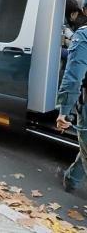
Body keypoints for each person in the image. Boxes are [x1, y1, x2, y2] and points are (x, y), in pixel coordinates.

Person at [57, 21, 87, 193]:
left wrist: (64, 111)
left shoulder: (83, 34)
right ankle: (71, 178)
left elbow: (74, 77)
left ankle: (70, 178)